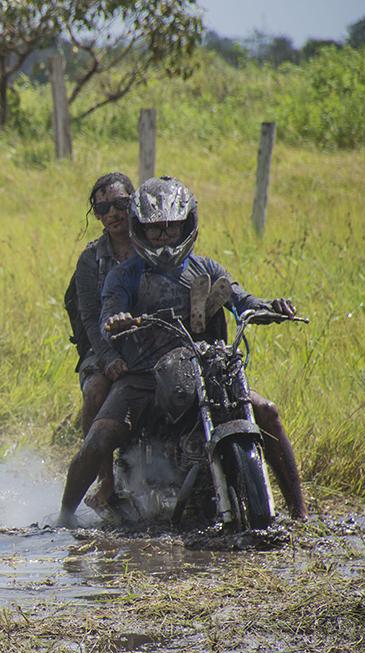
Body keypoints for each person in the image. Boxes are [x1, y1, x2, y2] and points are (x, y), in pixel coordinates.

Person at [57, 176, 307, 525]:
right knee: (99, 439)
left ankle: (300, 513)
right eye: (156, 229)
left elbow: (239, 298)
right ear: (141, 229)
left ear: (186, 225)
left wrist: (269, 307)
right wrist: (118, 320)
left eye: (172, 228)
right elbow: (105, 313)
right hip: (143, 374)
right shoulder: (125, 274)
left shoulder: (206, 269)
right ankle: (65, 517)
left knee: (267, 411)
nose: (164, 236)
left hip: (207, 367)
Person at [65, 172, 134, 512]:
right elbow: (90, 318)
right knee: (96, 390)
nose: (113, 213)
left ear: (135, 203)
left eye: (121, 204)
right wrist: (107, 357)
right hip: (104, 344)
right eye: (104, 207)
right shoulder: (90, 259)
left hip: (153, 340)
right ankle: (104, 478)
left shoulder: (155, 245)